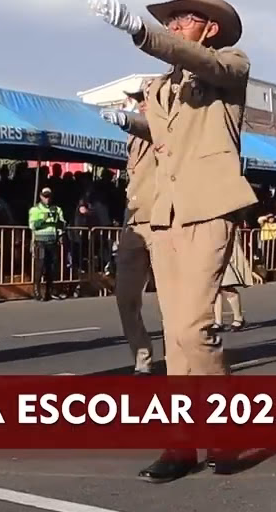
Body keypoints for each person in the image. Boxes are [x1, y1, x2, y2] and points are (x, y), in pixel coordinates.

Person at [88, 0, 257, 481]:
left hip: (209, 206)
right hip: (166, 213)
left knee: (192, 330)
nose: (177, 24)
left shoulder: (230, 64)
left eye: (186, 18)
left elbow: (208, 68)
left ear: (210, 28)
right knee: (177, 343)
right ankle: (181, 444)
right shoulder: (162, 87)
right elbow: (167, 137)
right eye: (172, 18)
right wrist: (132, 121)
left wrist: (142, 32)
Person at [100, 87, 157, 375]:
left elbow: (154, 128)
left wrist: (127, 119)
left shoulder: (167, 123)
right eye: (137, 100)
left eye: (144, 99)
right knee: (125, 297)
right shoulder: (133, 138)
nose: (140, 105)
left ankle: (188, 360)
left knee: (177, 303)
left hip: (164, 223)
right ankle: (142, 357)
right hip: (134, 223)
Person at [28, 188, 66, 301]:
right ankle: (36, 291)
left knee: (52, 267)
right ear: (40, 196)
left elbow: (62, 224)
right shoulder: (35, 209)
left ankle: (50, 291)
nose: (47, 198)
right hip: (40, 241)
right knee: (40, 265)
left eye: (49, 196)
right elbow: (32, 225)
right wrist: (43, 220)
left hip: (52, 240)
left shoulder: (57, 209)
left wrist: (60, 233)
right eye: (45, 196)